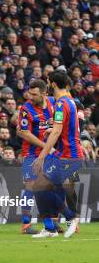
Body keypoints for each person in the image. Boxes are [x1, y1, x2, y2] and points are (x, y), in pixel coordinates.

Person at [31, 71, 84, 238]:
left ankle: (70, 217)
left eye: (48, 82)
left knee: (42, 186)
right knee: (39, 187)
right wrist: (52, 129)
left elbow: (57, 132)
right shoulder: (70, 101)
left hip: (69, 156)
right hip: (64, 154)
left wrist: (41, 156)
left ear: (52, 84)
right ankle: (50, 228)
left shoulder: (61, 104)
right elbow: (63, 128)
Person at [16, 80, 54, 235]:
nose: (30, 97)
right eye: (29, 93)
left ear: (45, 94)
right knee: (32, 186)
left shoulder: (52, 103)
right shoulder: (26, 109)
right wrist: (46, 147)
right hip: (31, 153)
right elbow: (24, 132)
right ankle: (26, 224)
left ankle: (53, 223)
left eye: (34, 94)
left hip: (48, 152)